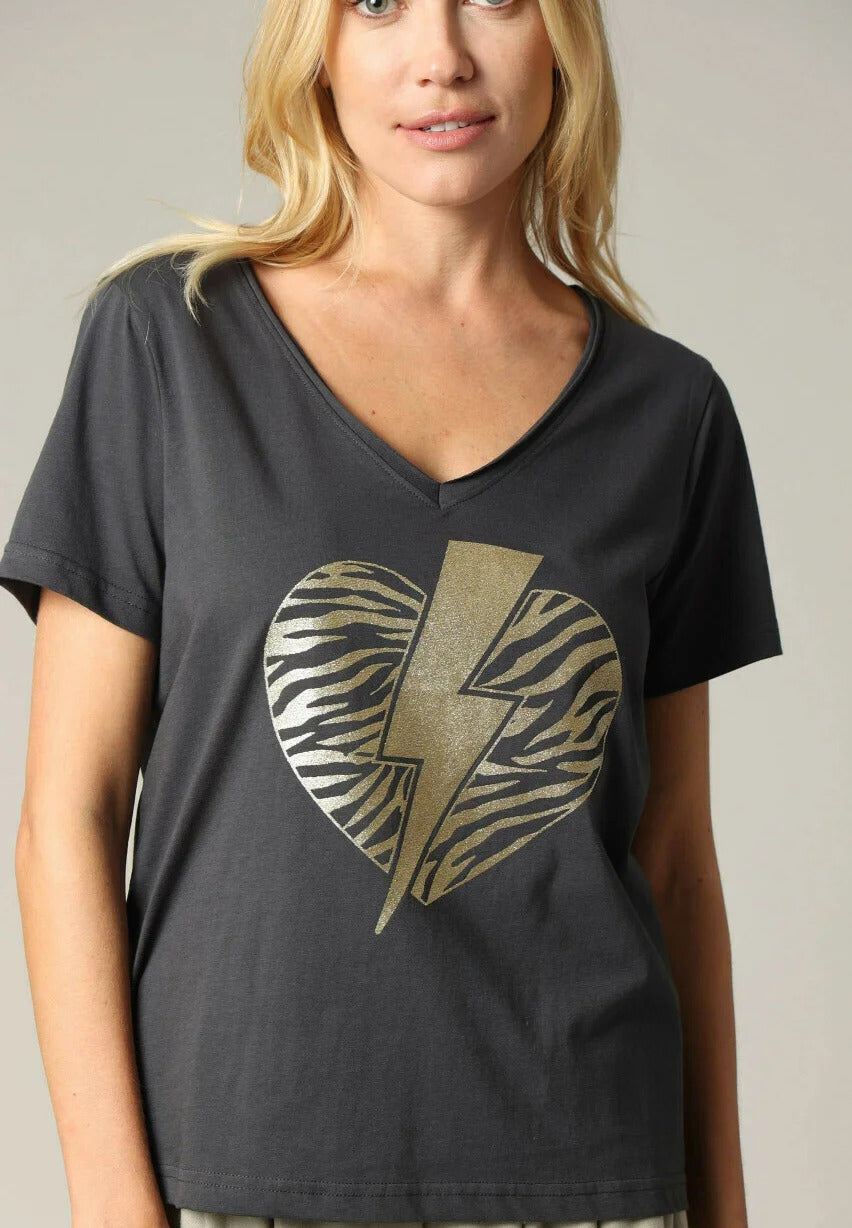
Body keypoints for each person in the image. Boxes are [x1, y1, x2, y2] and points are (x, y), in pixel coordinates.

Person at [0, 0, 784, 1224]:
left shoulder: (668, 413)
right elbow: (69, 814)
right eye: (376, 2)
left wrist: (724, 1208)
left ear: (564, 35)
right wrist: (113, 1207)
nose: (443, 59)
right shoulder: (170, 347)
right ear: (315, 49)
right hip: (237, 1172)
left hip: (595, 1170)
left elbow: (676, 857)